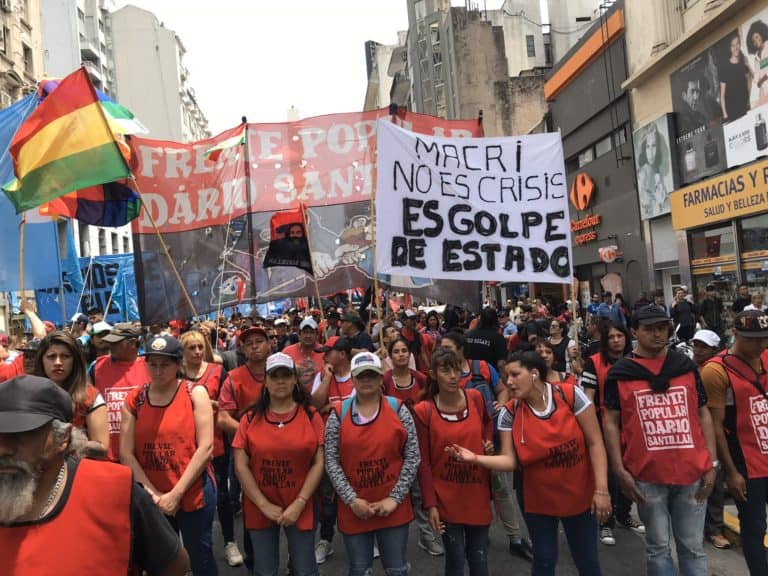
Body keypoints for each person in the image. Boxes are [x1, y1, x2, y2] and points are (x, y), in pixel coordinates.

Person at [0, 375, 189, 575]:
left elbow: (174, 566)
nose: (3, 449)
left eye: (21, 435)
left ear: (62, 438)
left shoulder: (112, 490)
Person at [448, 350, 610, 575]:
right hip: (537, 498)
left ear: (534, 373)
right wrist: (475, 458)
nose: (509, 382)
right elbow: (509, 460)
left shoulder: (570, 395)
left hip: (579, 493)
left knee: (587, 561)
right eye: (506, 376)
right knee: (544, 560)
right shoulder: (510, 413)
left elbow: (595, 442)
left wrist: (601, 490)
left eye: (515, 374)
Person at [602, 305, 717, 576]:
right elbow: (610, 422)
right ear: (634, 332)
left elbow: (703, 413)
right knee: (657, 548)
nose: (657, 334)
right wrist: (618, 469)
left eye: (662, 328)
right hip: (646, 476)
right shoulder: (621, 373)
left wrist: (713, 463)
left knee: (693, 548)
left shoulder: (686, 367)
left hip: (692, 472)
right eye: (649, 329)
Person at [120, 334, 218, 575]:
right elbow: (126, 453)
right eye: (152, 364)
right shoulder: (135, 399)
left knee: (200, 555)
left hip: (193, 491)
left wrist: (176, 494)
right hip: (151, 493)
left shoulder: (195, 393)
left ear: (178, 364)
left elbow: (206, 448)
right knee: (163, 562)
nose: (158, 371)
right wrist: (153, 496)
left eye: (165, 365)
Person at [324, 352, 420, 576]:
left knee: (396, 568)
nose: (366, 380)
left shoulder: (398, 409)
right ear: (353, 379)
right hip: (354, 508)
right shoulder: (339, 413)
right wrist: (351, 499)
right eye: (360, 375)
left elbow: (413, 455)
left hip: (393, 507)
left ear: (380, 378)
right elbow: (331, 459)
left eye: (371, 375)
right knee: (359, 570)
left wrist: (394, 498)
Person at [233, 352, 325, 576]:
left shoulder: (310, 415)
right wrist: (263, 504)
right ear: (265, 381)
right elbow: (241, 465)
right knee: (265, 571)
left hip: (301, 503)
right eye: (274, 376)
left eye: (286, 375)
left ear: (295, 380)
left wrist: (300, 502)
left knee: (305, 569)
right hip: (259, 504)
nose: (280, 381)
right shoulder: (249, 418)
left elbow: (318, 462)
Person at [413, 347, 493, 575]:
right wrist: (430, 505)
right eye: (445, 371)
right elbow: (423, 462)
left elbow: (488, 422)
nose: (453, 376)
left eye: (456, 370)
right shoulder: (424, 410)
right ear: (433, 374)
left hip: (477, 492)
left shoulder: (475, 398)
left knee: (479, 557)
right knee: (455, 558)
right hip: (445, 497)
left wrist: (487, 441)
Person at [700, 310, 768, 575]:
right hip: (747, 464)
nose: (760, 344)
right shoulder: (716, 371)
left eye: (764, 337)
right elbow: (715, 426)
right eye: (752, 338)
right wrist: (731, 472)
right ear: (735, 334)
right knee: (754, 528)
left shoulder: (766, 356)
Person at [180, 330, 244, 568]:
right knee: (190, 497)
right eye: (191, 348)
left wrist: (207, 403)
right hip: (185, 445)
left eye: (200, 347)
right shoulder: (176, 374)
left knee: (222, 496)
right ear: (183, 351)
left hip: (216, 444)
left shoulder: (218, 372)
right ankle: (190, 549)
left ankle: (229, 542)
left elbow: (228, 405)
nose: (197, 352)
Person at [579, 322, 644, 546]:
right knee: (609, 473)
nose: (616, 340)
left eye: (620, 336)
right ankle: (606, 521)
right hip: (605, 424)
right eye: (611, 337)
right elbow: (588, 397)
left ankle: (625, 514)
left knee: (631, 470)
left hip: (633, 424)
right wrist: (591, 429)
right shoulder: (594, 362)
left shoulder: (636, 361)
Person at [383, 337, 441, 556]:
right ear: (390, 356)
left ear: (410, 354)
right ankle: (384, 537)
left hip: (418, 442)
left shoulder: (421, 379)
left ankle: (426, 536)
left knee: (419, 491)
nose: (401, 355)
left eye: (404, 351)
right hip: (391, 444)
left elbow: (432, 404)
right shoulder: (384, 380)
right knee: (389, 489)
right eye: (396, 351)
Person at [309, 335, 355, 564]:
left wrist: (332, 406)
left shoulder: (358, 374)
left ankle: (362, 536)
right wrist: (327, 378)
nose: (325, 356)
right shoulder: (322, 375)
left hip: (355, 445)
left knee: (357, 490)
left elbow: (359, 407)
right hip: (328, 445)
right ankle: (325, 539)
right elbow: (315, 405)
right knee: (328, 496)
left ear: (343, 354)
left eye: (329, 352)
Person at [35, 331, 108, 459]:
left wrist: (68, 441)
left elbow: (103, 448)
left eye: (65, 356)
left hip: (78, 467)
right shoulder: (31, 394)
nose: (58, 362)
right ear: (42, 360)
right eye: (51, 356)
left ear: (75, 360)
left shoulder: (90, 396)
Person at [688, 329, 730, 551]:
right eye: (696, 345)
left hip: (713, 433)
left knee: (714, 481)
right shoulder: (688, 369)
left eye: (703, 346)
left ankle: (714, 529)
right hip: (692, 433)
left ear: (714, 350)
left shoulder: (714, 371)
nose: (698, 350)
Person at [90, 322, 148, 462]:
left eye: (116, 343)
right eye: (110, 341)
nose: (110, 346)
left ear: (133, 343)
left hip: (142, 454)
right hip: (108, 455)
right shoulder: (96, 367)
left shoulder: (150, 366)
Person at [637, 122, 670, 219]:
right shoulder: (644, 173)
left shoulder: (656, 172)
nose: (651, 152)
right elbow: (646, 204)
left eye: (654, 146)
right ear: (644, 149)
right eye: (647, 147)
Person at [282, 317, 324, 392]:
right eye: (305, 332)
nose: (308, 335)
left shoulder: (324, 352)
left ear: (317, 335)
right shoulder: (287, 352)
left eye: (311, 332)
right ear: (299, 334)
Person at [719, 32, 752, 121]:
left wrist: (748, 99)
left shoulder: (743, 62)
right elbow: (722, 95)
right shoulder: (724, 67)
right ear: (730, 48)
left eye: (737, 44)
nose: (736, 47)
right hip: (732, 112)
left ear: (740, 45)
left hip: (745, 108)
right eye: (733, 45)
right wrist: (725, 115)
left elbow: (750, 79)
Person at [463, 307, 507, 374]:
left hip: (469, 375)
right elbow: (501, 363)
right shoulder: (498, 337)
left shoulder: (468, 335)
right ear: (495, 320)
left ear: (480, 319)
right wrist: (504, 379)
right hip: (489, 375)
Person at [746, 19, 768, 105]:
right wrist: (748, 65)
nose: (756, 41)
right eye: (753, 41)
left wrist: (761, 80)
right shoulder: (756, 57)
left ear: (762, 35)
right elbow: (756, 78)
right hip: (763, 91)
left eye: (757, 37)